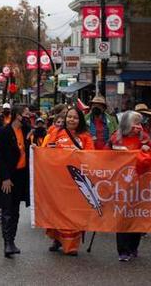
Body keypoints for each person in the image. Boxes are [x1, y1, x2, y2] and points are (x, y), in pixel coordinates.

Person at [42, 107, 95, 255]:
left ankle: (71, 245)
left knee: (74, 213)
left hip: (76, 181)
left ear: (80, 120)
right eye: (69, 117)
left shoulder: (85, 136)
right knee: (58, 211)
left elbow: (91, 156)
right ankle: (58, 239)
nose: (71, 120)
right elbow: (47, 150)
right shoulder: (56, 132)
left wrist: (79, 155)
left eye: (75, 118)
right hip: (58, 181)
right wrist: (37, 151)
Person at [106, 111, 151, 262]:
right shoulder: (116, 137)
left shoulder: (144, 137)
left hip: (140, 183)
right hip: (121, 184)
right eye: (136, 124)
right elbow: (104, 155)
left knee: (137, 215)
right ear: (127, 125)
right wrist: (116, 152)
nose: (139, 127)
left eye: (140, 124)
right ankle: (123, 250)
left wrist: (148, 150)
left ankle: (133, 247)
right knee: (122, 216)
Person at [0, 105, 31, 258]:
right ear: (17, 115)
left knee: (15, 209)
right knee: (7, 209)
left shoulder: (26, 131)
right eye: (26, 113)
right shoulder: (4, 132)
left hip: (21, 175)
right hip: (8, 175)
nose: (28, 116)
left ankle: (12, 241)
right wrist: (5, 177)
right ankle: (7, 242)